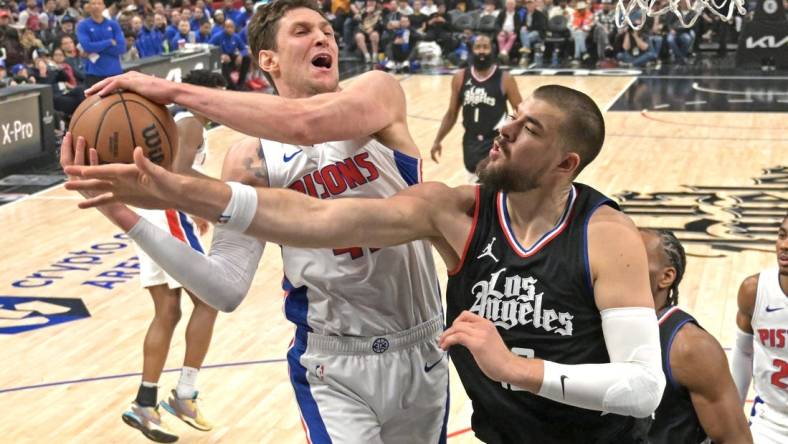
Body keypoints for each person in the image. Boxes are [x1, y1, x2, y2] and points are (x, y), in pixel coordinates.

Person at [66, 84, 666, 443]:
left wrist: (514, 368)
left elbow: (642, 388)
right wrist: (165, 187)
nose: (504, 129)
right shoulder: (454, 212)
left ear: (566, 163)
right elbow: (310, 220)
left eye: (527, 127)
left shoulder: (604, 235)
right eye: (512, 118)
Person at [67, 1, 449, 442]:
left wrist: (174, 90)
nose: (323, 37)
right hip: (334, 365)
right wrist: (119, 212)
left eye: (327, 30)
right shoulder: (252, 158)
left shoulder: (376, 94)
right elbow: (225, 287)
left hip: (422, 346)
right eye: (303, 31)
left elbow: (307, 124)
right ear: (268, 60)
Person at [639, 228, 753, 444]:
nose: (618, 263)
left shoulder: (691, 347)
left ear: (666, 277)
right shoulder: (591, 324)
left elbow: (736, 439)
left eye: (633, 257)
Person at [430, 34, 521, 182]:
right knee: (474, 187)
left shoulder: (505, 78)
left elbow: (520, 113)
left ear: (492, 50)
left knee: (495, 188)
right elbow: (451, 114)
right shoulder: (460, 77)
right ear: (472, 50)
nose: (481, 51)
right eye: (478, 47)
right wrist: (437, 140)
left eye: (485, 47)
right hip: (470, 141)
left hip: (496, 140)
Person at [731, 214, 788, 444]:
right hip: (769, 421)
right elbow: (743, 352)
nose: (784, 245)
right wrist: (733, 416)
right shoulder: (754, 291)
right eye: (782, 235)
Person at [75, 0, 125, 86]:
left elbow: (121, 48)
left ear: (104, 6)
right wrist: (109, 42)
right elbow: (87, 47)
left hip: (115, 72)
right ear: (88, 7)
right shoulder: (83, 25)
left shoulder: (113, 24)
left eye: (99, 3)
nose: (96, 6)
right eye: (93, 4)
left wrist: (95, 48)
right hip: (94, 73)